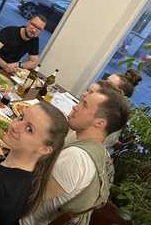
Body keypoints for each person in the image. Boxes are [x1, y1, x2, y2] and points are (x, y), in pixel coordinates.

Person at [16, 87, 130, 225]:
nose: (76, 106)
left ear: (99, 123)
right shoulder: (102, 154)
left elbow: (26, 197)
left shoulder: (76, 158)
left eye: (84, 105)